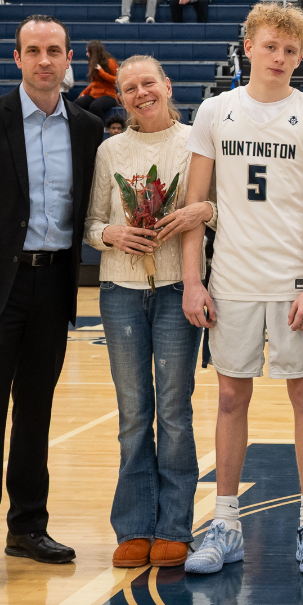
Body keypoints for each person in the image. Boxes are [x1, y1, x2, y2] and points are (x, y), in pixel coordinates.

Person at [0, 15, 102, 590]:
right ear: (17, 57)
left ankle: (28, 526)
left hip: (53, 285)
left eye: (54, 50)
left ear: (68, 55)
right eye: (33, 51)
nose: (44, 60)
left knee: (37, 412)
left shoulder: (85, 126)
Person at [179, 3, 303, 577]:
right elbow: (194, 207)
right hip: (233, 278)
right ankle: (226, 522)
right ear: (248, 45)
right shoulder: (215, 112)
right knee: (230, 398)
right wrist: (193, 280)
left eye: (291, 51)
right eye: (271, 46)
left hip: (294, 278)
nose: (280, 58)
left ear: (302, 57)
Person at [86, 55, 213, 570]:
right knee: (134, 413)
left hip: (176, 291)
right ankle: (134, 525)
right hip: (120, 288)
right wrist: (112, 234)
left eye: (148, 83)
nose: (141, 93)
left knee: (174, 413)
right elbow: (93, 222)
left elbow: (220, 208)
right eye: (130, 87)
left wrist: (199, 210)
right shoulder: (110, 150)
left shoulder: (196, 144)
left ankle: (175, 527)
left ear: (167, 84)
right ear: (121, 99)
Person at [77, 39, 120, 119]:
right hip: (95, 94)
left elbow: (117, 80)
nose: (87, 54)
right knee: (77, 104)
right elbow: (94, 83)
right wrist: (84, 92)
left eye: (88, 52)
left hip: (109, 95)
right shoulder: (93, 63)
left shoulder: (111, 62)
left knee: (95, 106)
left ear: (93, 52)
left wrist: (101, 72)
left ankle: (101, 128)